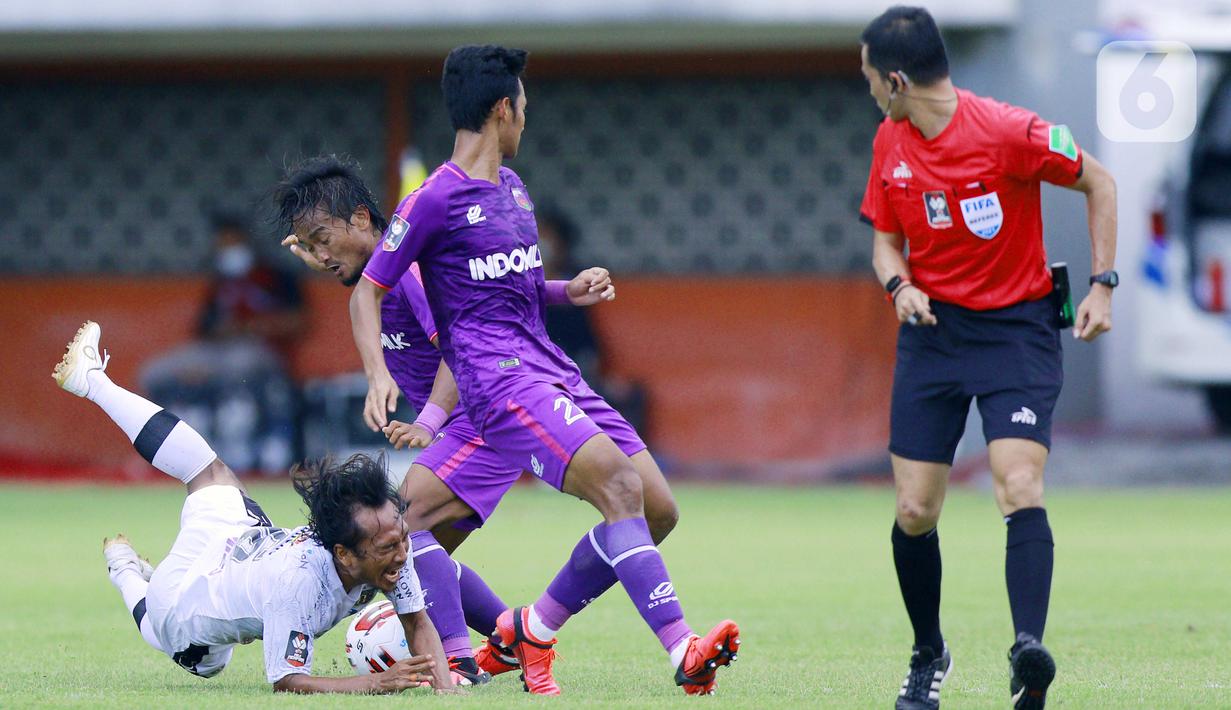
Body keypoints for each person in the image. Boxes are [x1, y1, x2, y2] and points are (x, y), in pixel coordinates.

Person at [345, 45, 740, 696]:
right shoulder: (431, 200)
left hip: (549, 365)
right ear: (503, 109)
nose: (527, 119)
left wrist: (566, 291)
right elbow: (369, 290)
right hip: (497, 379)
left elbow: (514, 291)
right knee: (616, 487)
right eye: (524, 107)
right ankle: (682, 649)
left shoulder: (514, 190)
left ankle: (531, 626)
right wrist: (376, 374)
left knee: (658, 509)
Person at [270, 155, 621, 684]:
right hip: (483, 425)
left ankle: (455, 661)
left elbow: (464, 348)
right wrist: (328, 258)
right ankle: (514, 637)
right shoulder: (381, 271)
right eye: (311, 246)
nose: (320, 254)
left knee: (401, 523)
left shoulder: (409, 273)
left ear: (363, 219)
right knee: (417, 559)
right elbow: (461, 292)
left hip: (481, 418)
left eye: (324, 239)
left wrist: (430, 421)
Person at [857, 7, 1117, 710]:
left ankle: (1026, 656)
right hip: (933, 334)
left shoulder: (1008, 130)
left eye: (870, 77)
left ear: (897, 78)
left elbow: (1100, 181)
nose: (869, 90)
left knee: (1017, 485)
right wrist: (898, 284)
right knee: (914, 509)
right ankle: (926, 653)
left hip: (1016, 334)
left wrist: (1101, 284)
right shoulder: (891, 140)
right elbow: (884, 241)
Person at [52, 321, 457, 694]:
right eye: (389, 547)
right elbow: (288, 681)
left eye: (401, 538)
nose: (403, 554)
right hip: (182, 603)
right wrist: (376, 683)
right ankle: (126, 573)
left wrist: (445, 691)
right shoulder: (298, 585)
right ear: (344, 555)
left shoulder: (385, 550)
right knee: (183, 642)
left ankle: (124, 559)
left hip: (240, 542)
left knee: (209, 476)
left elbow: (417, 620)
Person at [140, 212, 305, 473]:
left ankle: (239, 447)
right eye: (222, 243)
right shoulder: (221, 280)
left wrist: (253, 326)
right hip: (217, 352)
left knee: (240, 365)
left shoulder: (274, 275)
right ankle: (173, 447)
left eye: (231, 242)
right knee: (155, 372)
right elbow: (203, 329)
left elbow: (299, 319)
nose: (226, 249)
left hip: (261, 350)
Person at [537, 207, 649, 433]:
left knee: (631, 394)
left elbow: (588, 343)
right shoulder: (519, 279)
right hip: (533, 370)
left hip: (573, 368)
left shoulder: (578, 281)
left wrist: (596, 377)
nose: (541, 242)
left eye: (547, 236)